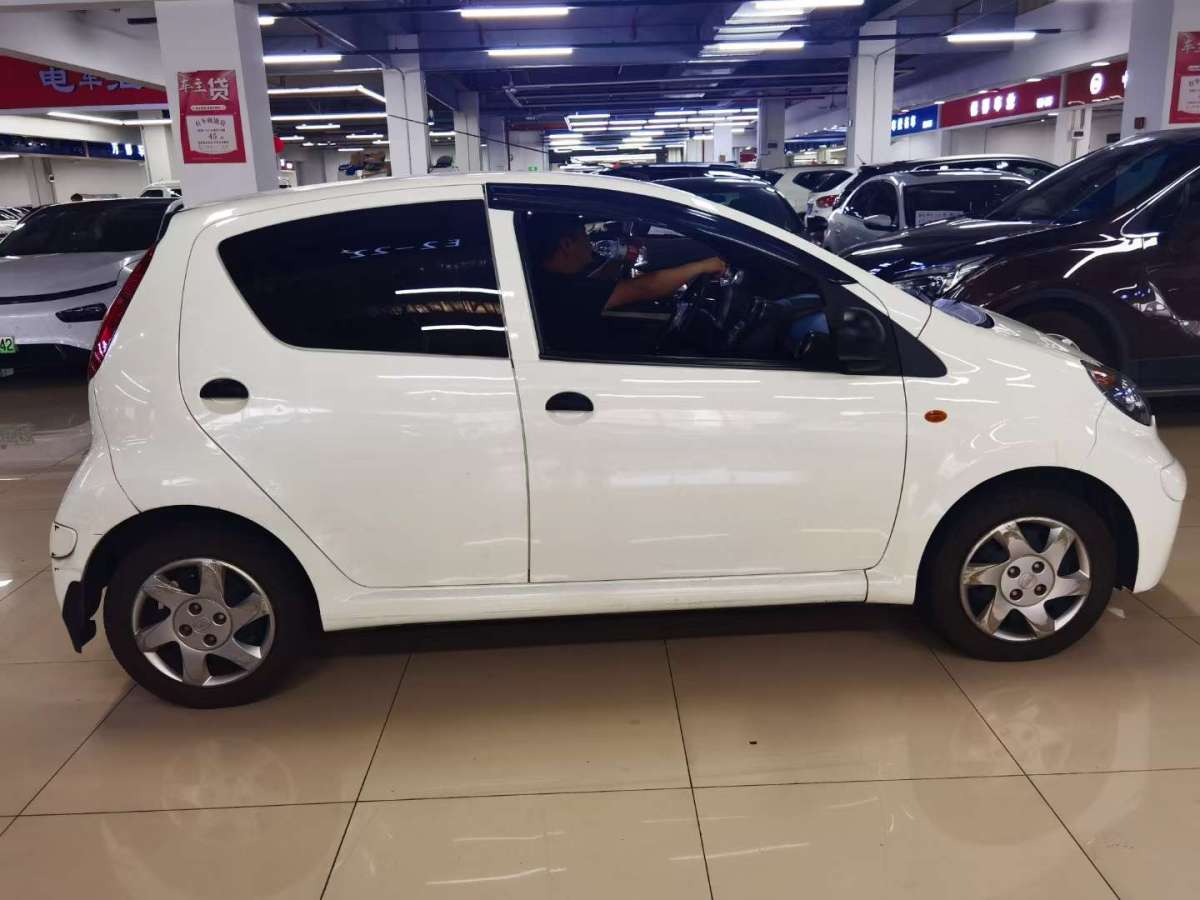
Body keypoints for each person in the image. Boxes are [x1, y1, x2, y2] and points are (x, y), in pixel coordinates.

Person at [525, 213, 727, 352]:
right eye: (584, 236)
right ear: (567, 244)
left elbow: (596, 285)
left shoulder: (547, 279)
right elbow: (643, 288)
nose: (589, 242)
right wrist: (703, 266)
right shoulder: (562, 291)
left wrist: (621, 259)